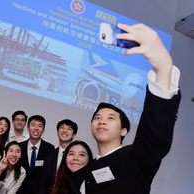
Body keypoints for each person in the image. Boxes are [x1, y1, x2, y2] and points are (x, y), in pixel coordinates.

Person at [69, 23, 181, 194]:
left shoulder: (135, 159)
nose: (101, 121)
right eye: (97, 117)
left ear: (124, 131)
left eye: (110, 118)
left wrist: (164, 69)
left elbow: (154, 135)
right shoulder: (80, 174)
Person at [17, 115, 55, 194]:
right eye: (33, 125)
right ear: (27, 128)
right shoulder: (20, 147)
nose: (36, 128)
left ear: (43, 130)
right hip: (20, 190)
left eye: (40, 126)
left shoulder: (49, 148)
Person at [39, 119, 78, 194]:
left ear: (73, 135)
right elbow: (44, 181)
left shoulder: (77, 156)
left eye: (69, 129)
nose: (65, 131)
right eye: (62, 128)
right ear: (57, 132)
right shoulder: (50, 155)